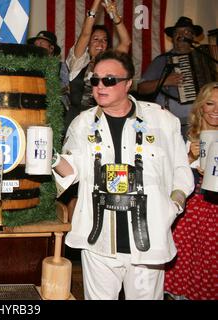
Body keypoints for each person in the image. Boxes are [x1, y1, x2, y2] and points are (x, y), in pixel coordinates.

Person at [51, 50, 194, 300]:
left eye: (109, 80)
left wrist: (175, 204)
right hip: (98, 239)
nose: (100, 86)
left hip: (148, 237)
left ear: (128, 83)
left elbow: (181, 169)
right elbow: (72, 170)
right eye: (95, 80)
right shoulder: (82, 124)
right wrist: (49, 157)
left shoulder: (162, 120)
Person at [164, 82, 218, 300]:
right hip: (189, 216)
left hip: (215, 216)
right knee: (184, 268)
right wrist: (189, 159)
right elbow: (167, 179)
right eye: (210, 103)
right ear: (200, 107)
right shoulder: (184, 140)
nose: (215, 110)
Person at [66, 0, 131, 126]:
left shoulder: (111, 63)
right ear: (88, 44)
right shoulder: (79, 63)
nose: (100, 43)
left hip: (105, 122)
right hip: (78, 122)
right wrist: (96, 3)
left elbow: (126, 42)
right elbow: (85, 34)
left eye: (104, 40)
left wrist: (114, 15)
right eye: (95, 39)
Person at [138, 16, 204, 139]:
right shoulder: (161, 60)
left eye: (186, 32)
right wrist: (165, 81)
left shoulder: (203, 59)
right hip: (172, 123)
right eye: (177, 33)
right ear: (172, 38)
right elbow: (141, 88)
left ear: (193, 37)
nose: (181, 35)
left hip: (200, 122)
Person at [27, 30, 70, 129]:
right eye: (36, 44)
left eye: (41, 43)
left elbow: (65, 87)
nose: (37, 46)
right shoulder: (29, 67)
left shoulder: (60, 66)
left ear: (51, 48)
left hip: (56, 112)